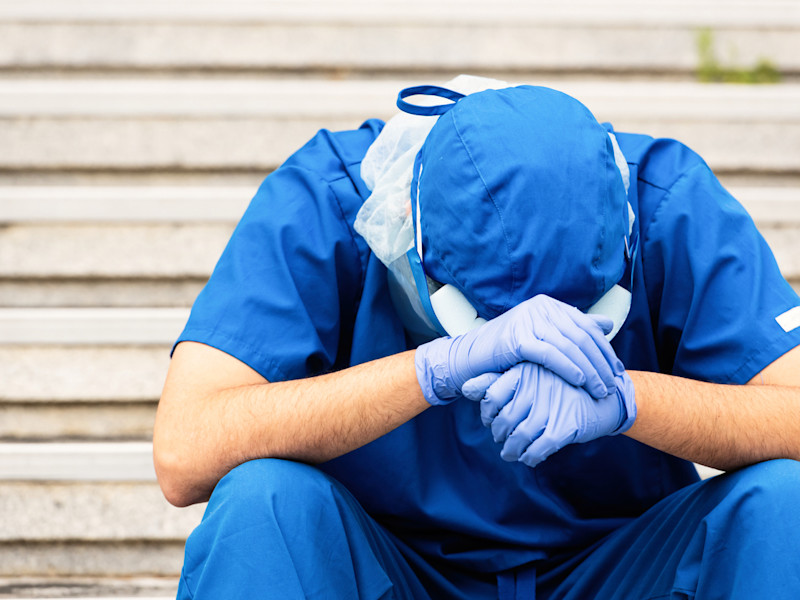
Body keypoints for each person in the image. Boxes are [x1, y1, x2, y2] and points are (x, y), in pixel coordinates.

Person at [153, 75, 800, 599]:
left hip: (617, 566)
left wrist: (627, 400)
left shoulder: (667, 201)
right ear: (410, 244)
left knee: (784, 502)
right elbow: (187, 448)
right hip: (391, 570)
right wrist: (430, 371)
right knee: (263, 502)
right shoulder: (331, 201)